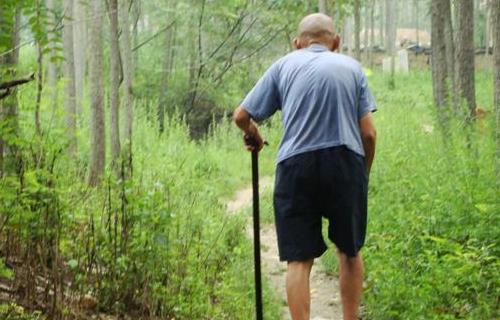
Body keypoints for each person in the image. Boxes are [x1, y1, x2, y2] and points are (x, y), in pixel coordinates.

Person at [233, 13, 377, 320]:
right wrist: (362, 175)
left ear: (297, 43)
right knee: (350, 252)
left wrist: (254, 136)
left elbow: (241, 116)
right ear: (336, 42)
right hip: (345, 161)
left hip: (295, 164)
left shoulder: (284, 64)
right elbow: (368, 133)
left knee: (298, 259)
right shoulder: (352, 68)